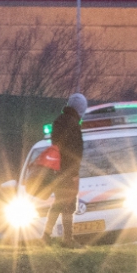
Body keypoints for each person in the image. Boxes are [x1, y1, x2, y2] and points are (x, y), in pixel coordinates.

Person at [41, 93, 87, 248]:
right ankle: (67, 239)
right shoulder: (73, 124)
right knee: (68, 203)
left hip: (57, 169)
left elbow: (58, 146)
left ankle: (46, 236)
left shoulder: (58, 121)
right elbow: (74, 150)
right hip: (69, 170)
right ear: (81, 108)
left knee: (58, 203)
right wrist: (74, 173)